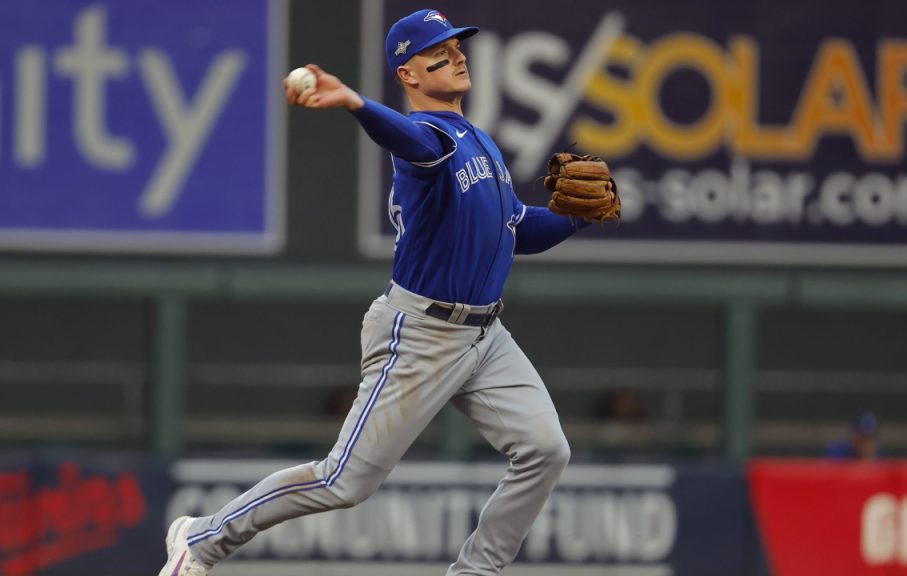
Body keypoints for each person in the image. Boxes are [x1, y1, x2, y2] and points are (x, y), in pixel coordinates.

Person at [158, 8, 607, 576]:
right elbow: (412, 141)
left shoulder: (480, 142)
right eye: (438, 51)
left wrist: (576, 219)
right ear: (409, 75)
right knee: (344, 481)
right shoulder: (427, 140)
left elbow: (519, 229)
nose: (458, 55)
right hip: (420, 334)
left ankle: (476, 572)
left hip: (486, 337)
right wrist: (355, 103)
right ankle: (202, 538)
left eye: (458, 45)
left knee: (546, 450)